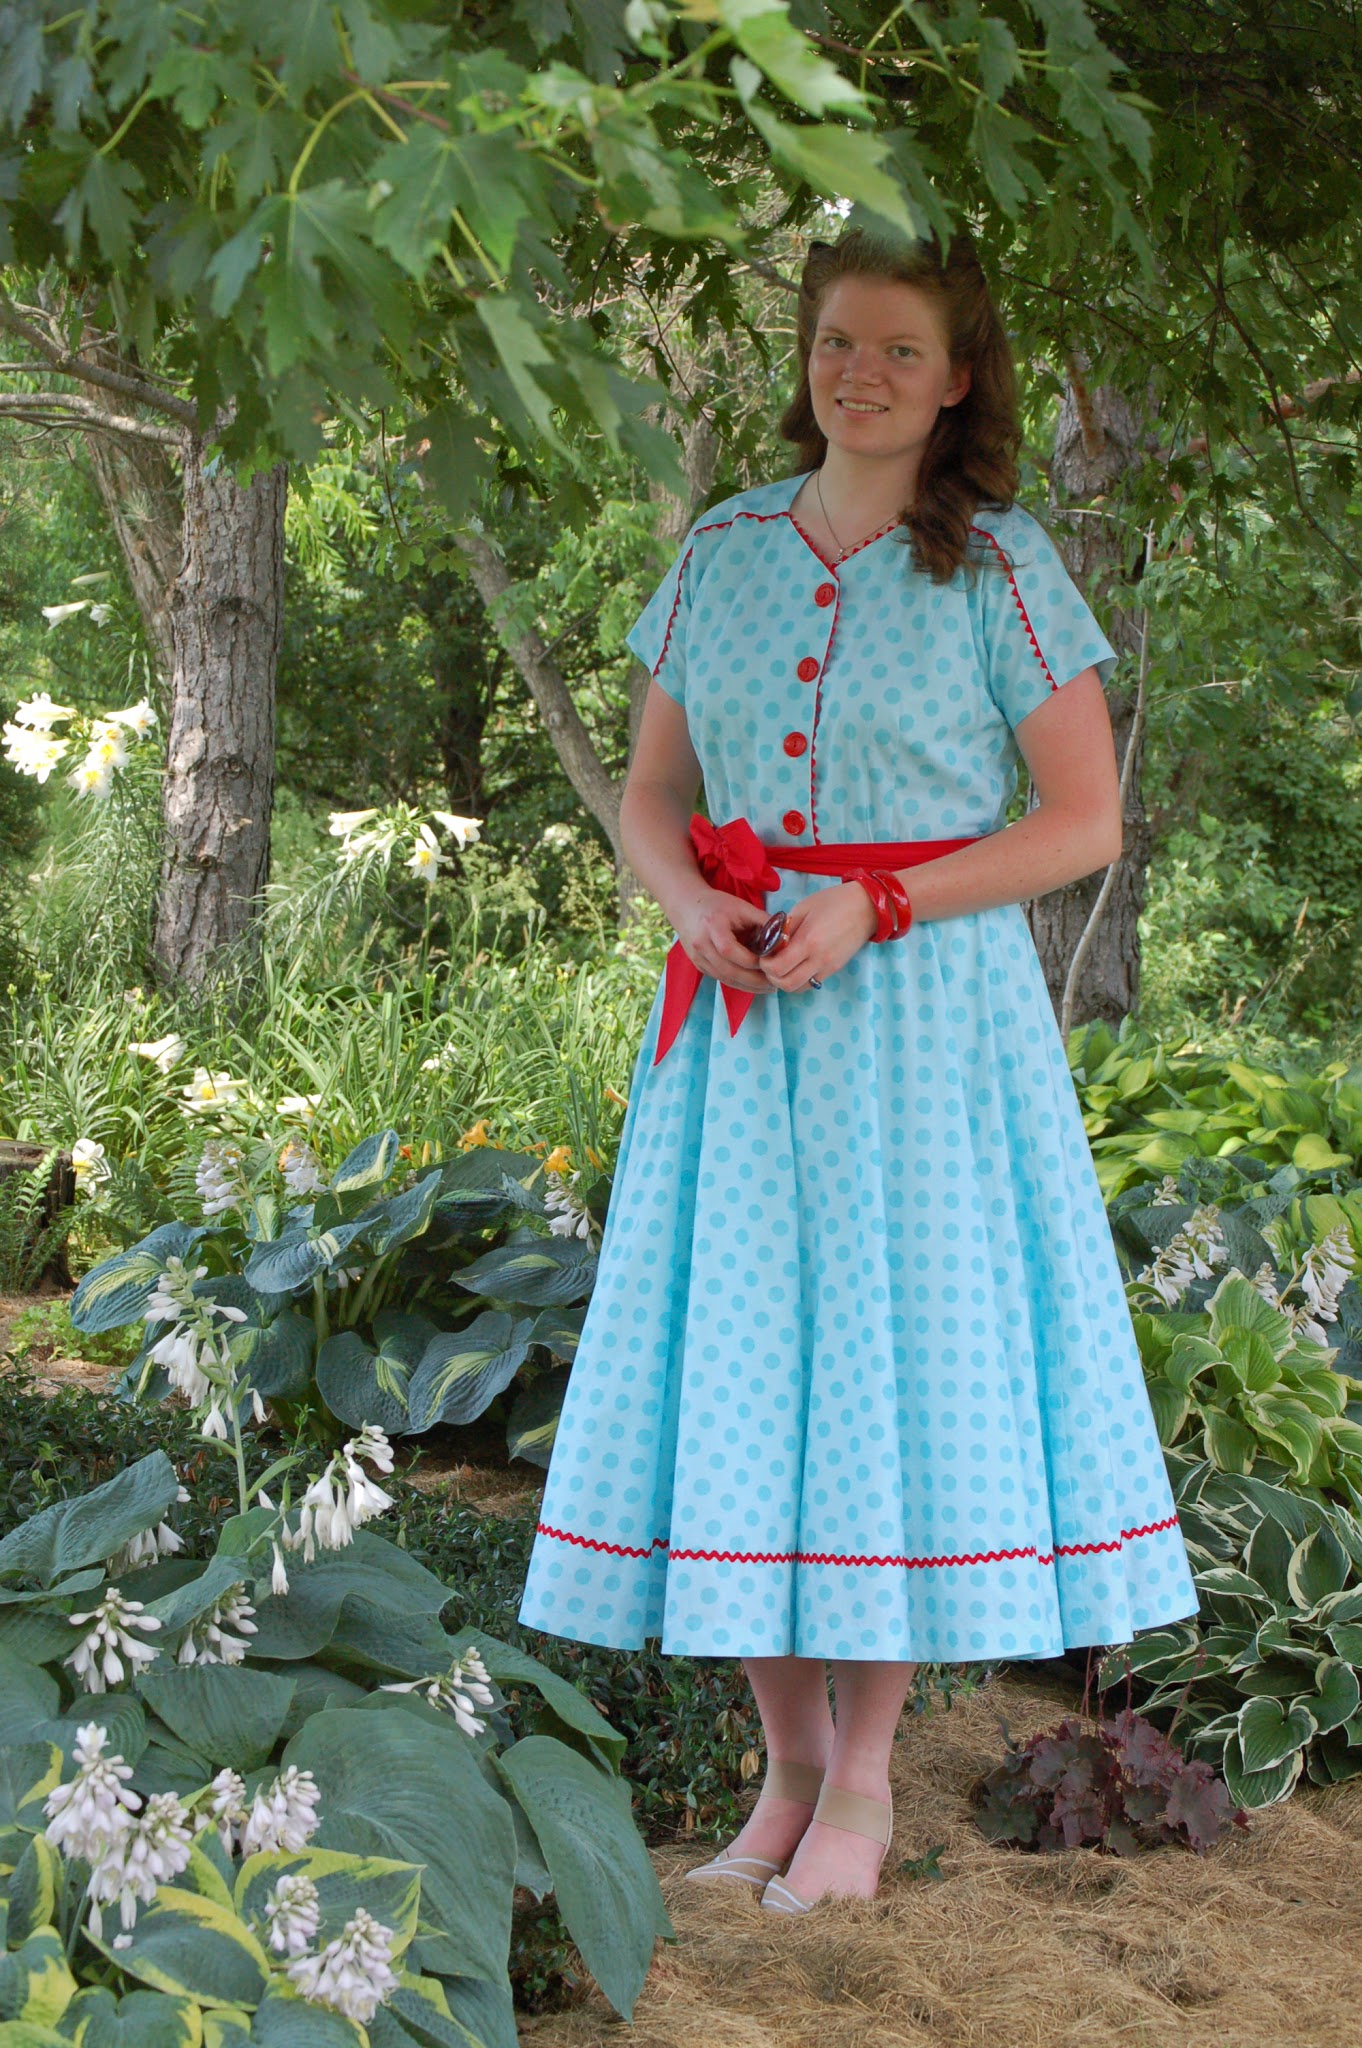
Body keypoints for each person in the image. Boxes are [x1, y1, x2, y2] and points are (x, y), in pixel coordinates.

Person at [516, 224, 1198, 1915]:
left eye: (900, 348)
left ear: (956, 377)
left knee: (893, 1372)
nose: (862, 373)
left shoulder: (1006, 567)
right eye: (836, 342)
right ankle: (786, 1773)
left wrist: (877, 898)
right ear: (804, 358)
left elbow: (1080, 822)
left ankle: (869, 1783)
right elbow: (653, 791)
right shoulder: (725, 549)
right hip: (738, 1026)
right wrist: (687, 905)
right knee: (741, 1375)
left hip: (925, 1028)